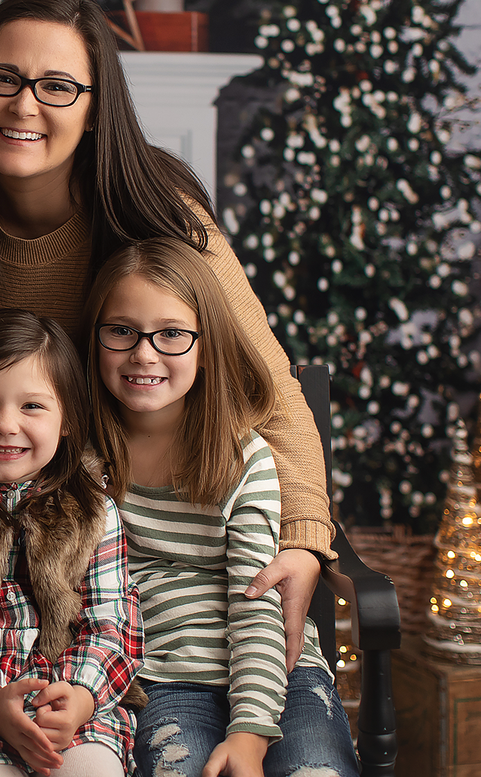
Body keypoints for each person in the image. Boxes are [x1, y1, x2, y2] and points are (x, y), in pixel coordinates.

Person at [0, 0, 332, 659]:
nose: (22, 105)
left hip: (138, 523)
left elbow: (264, 379)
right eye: (1, 78)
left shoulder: (155, 207)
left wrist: (303, 537)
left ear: (95, 108)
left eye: (56, 86)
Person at [86, 237, 358, 777]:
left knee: (317, 770)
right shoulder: (87, 462)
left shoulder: (241, 455)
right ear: (93, 340)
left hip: (279, 668)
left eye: (172, 334)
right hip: (163, 674)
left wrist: (252, 732)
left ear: (205, 346)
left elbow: (255, 596)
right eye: (121, 331)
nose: (144, 353)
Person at [0, 310, 141, 777]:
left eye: (32, 406)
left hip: (72, 707)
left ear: (66, 421)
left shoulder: (94, 512)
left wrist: (78, 697)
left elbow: (110, 621)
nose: (4, 424)